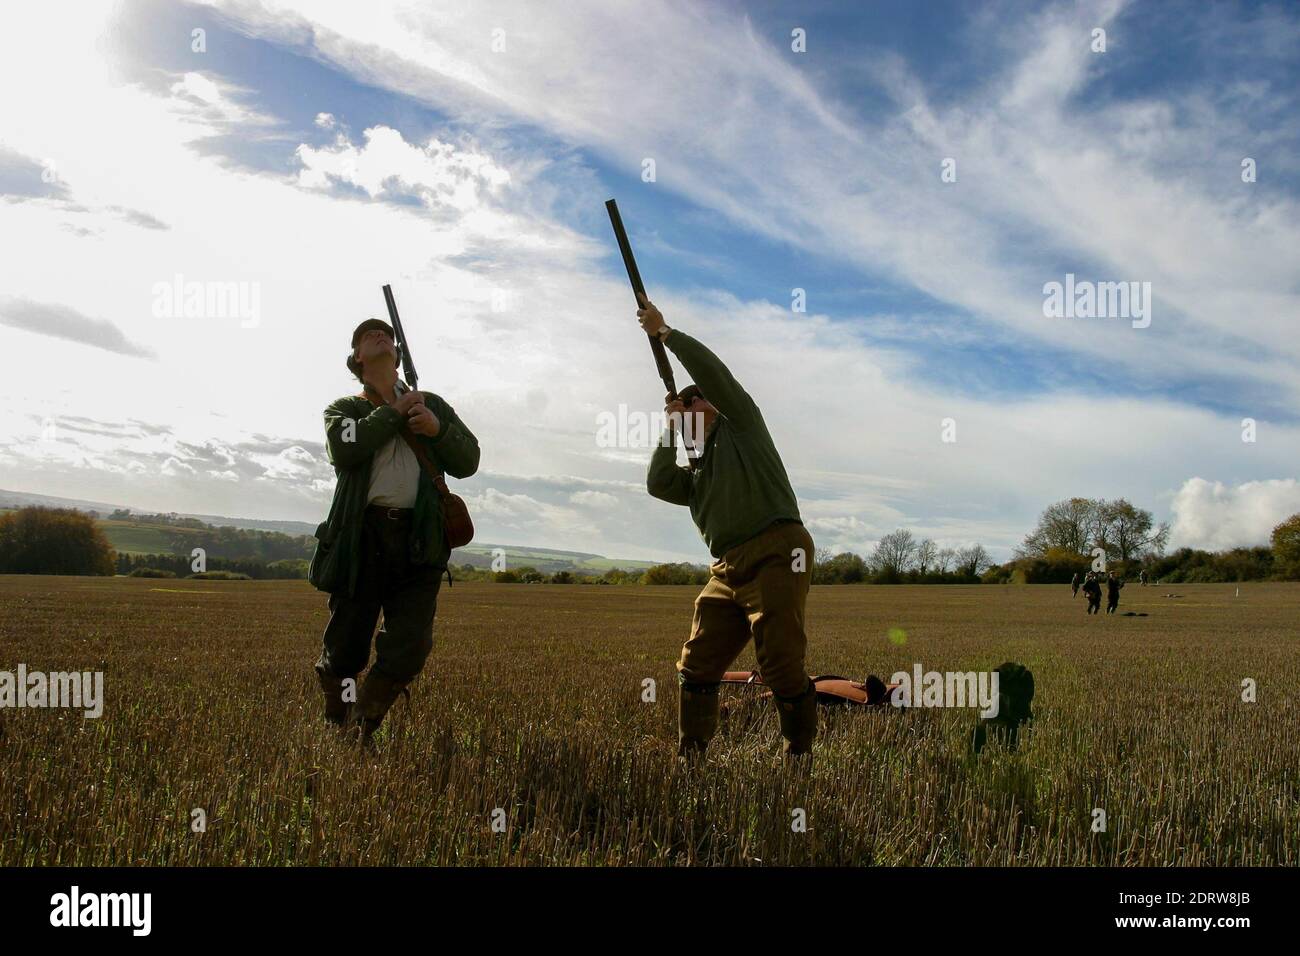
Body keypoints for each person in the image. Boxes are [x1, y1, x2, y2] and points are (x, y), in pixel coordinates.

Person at [640, 295, 818, 760]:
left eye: (692, 400)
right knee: (696, 662)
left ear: (713, 406)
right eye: (681, 403)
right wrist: (669, 429)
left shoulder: (742, 426)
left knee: (780, 663)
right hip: (727, 569)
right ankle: (691, 756)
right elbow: (658, 482)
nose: (686, 405)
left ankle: (799, 754)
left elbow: (715, 373)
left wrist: (665, 333)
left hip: (778, 550)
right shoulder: (696, 478)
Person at [308, 317, 480, 745]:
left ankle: (364, 724)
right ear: (357, 358)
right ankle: (339, 718)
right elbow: (346, 448)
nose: (379, 335)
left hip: (420, 541)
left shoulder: (431, 405)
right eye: (368, 335)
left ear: (398, 354)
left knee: (410, 646)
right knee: (346, 649)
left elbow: (469, 459)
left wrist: (437, 431)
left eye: (385, 333)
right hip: (360, 541)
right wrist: (395, 413)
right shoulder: (344, 409)